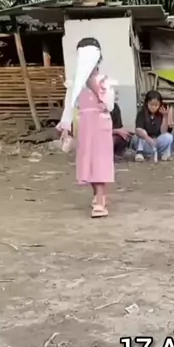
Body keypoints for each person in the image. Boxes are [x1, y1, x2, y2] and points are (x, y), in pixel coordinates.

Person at [57, 37, 115, 218]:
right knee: (88, 162)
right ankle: (98, 194)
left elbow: (109, 105)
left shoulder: (103, 81)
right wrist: (66, 126)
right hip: (84, 125)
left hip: (101, 125)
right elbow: (70, 104)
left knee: (100, 161)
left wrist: (95, 87)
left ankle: (100, 201)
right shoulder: (76, 82)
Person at [133, 91, 173, 162]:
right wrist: (147, 137)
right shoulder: (141, 114)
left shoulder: (161, 114)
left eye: (156, 105)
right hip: (145, 143)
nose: (154, 107)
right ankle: (140, 153)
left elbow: (163, 131)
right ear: (147, 103)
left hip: (156, 142)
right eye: (151, 104)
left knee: (169, 137)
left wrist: (165, 116)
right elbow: (138, 129)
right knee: (138, 135)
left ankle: (164, 154)